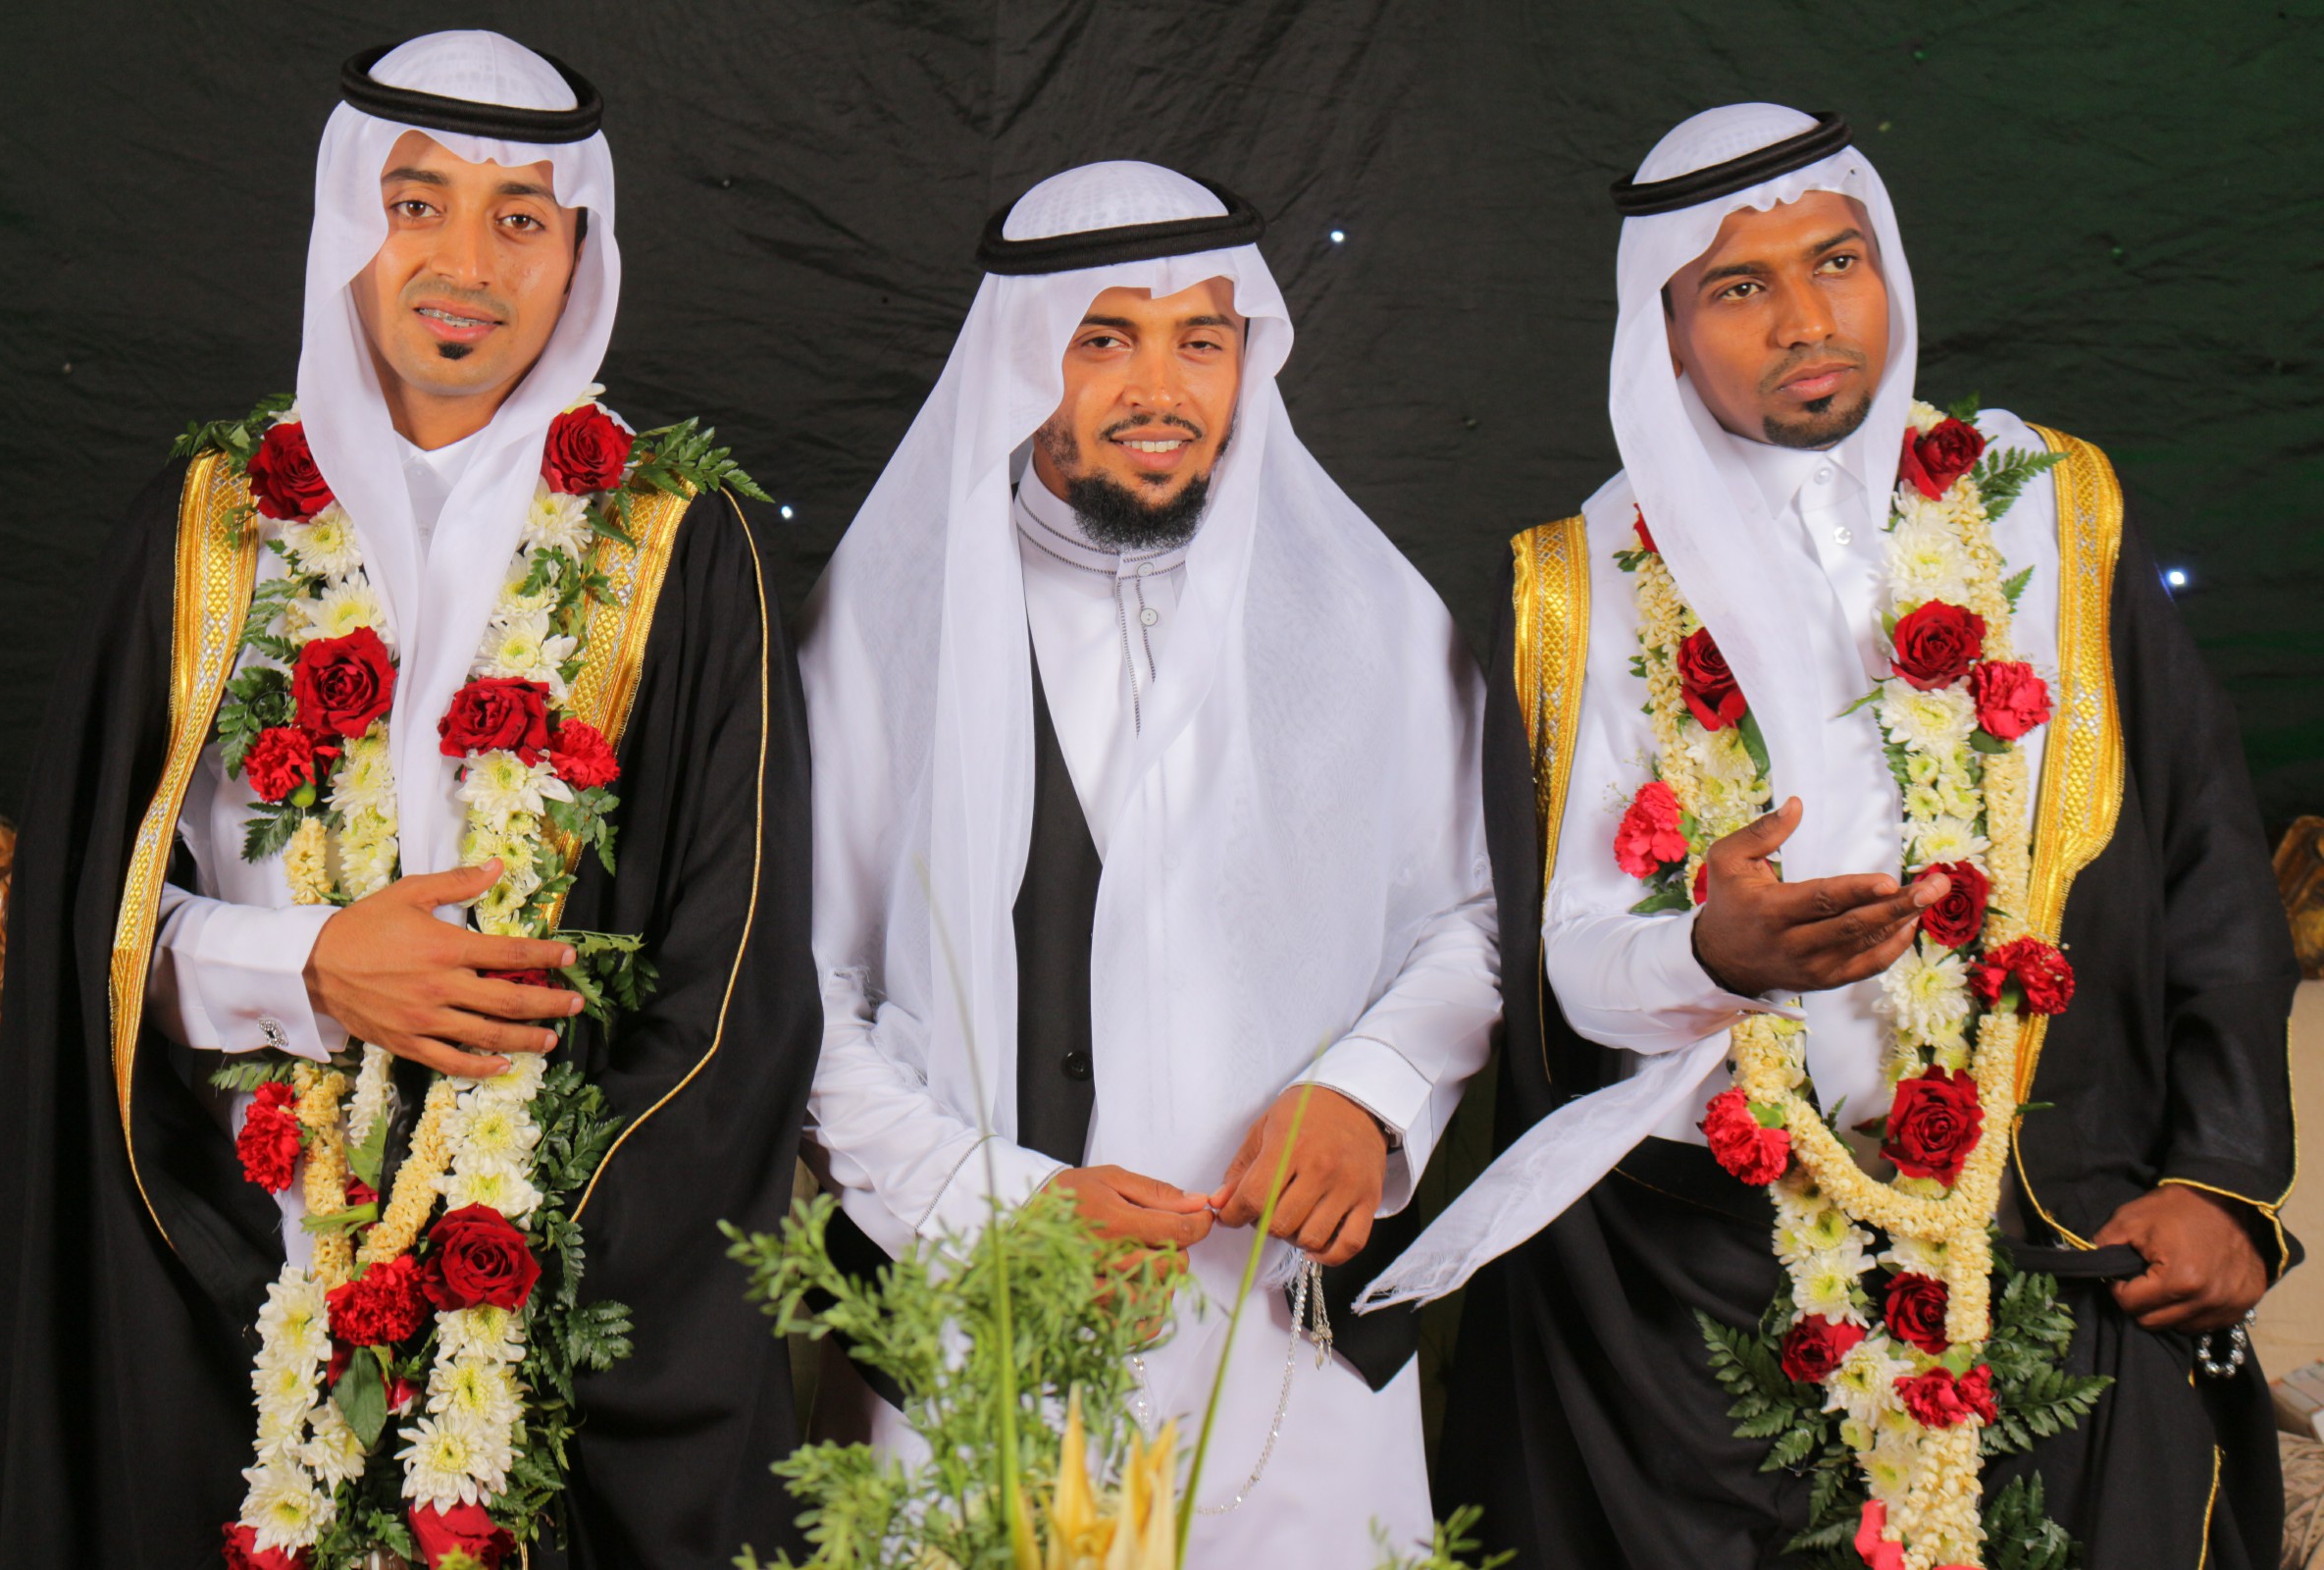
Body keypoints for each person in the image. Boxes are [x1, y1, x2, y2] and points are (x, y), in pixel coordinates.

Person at [1365, 104, 2299, 1569]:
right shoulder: (1577, 587)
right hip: (1699, 1294)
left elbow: (2207, 865)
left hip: (2068, 1231)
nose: (1807, 320)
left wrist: (2227, 1177)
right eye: (1740, 286)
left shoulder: (2054, 507)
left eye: (1838, 262)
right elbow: (1563, 970)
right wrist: (1710, 954)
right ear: (1666, 331)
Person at [0, 31, 818, 1568]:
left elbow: (735, 995)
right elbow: (82, 931)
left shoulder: (682, 551)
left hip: (546, 1304)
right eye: (416, 203)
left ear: (579, 252)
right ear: (347, 222)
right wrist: (307, 966)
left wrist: (526, 1255)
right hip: (223, 1269)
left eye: (520, 216)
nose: (466, 264)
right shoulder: (207, 529)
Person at [799, 160, 1499, 1566]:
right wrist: (996, 1206)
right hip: (981, 1334)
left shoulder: (1370, 614)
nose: (1160, 391)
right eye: (1105, 339)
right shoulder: (878, 630)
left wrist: (1368, 1093)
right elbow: (798, 999)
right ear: (1020, 358)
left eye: (1202, 341)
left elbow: (1472, 919)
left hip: (1304, 1367)